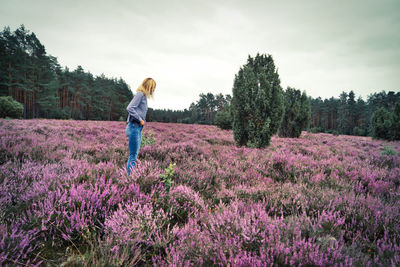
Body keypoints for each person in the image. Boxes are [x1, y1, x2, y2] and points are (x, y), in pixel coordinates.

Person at [126, 77, 156, 175]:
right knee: (133, 155)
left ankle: (130, 176)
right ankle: (129, 178)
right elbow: (130, 108)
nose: (153, 90)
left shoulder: (143, 96)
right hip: (134, 126)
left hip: (137, 128)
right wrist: (140, 119)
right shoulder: (140, 94)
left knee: (134, 154)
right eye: (153, 88)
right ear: (149, 87)